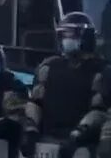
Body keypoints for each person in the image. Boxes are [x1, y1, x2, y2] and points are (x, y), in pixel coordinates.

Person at [24, 12, 105, 157]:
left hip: (84, 146)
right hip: (47, 141)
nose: (67, 40)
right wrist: (30, 128)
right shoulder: (48, 67)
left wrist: (79, 133)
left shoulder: (101, 70)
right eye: (64, 35)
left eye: (72, 35)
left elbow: (99, 109)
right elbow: (36, 102)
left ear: (86, 37)